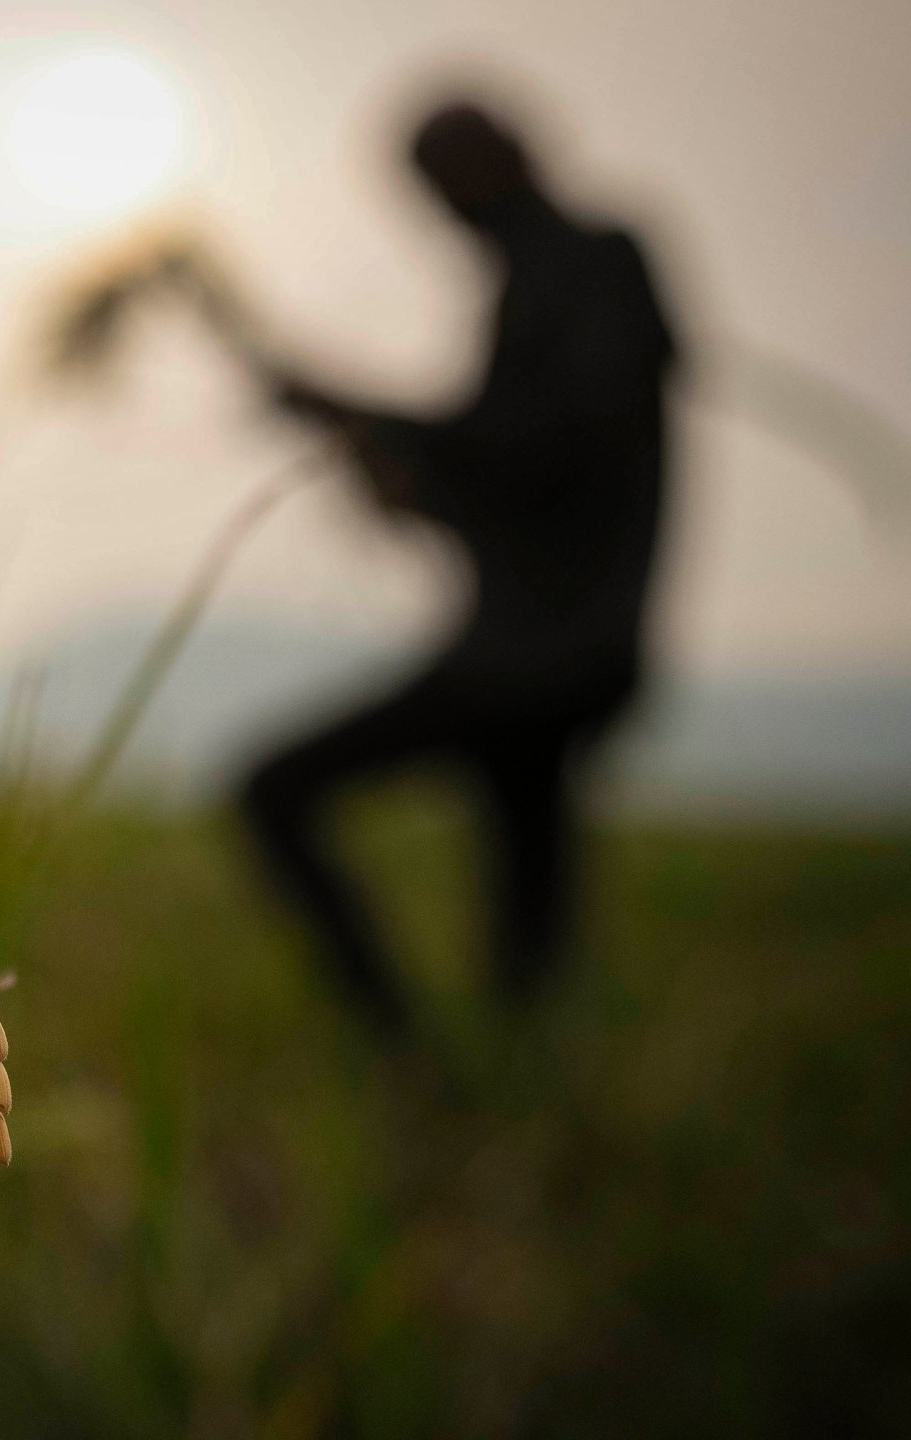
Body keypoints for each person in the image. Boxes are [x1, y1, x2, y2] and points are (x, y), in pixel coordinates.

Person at [239, 98, 680, 1040]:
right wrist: (380, 456)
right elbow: (494, 492)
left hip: (546, 652)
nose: (444, 212)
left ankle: (407, 1048)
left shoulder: (595, 266)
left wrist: (357, 410)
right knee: (527, 870)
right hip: (539, 644)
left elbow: (540, 451)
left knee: (276, 790)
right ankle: (509, 1073)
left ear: (509, 154)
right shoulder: (540, 285)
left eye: (447, 182)